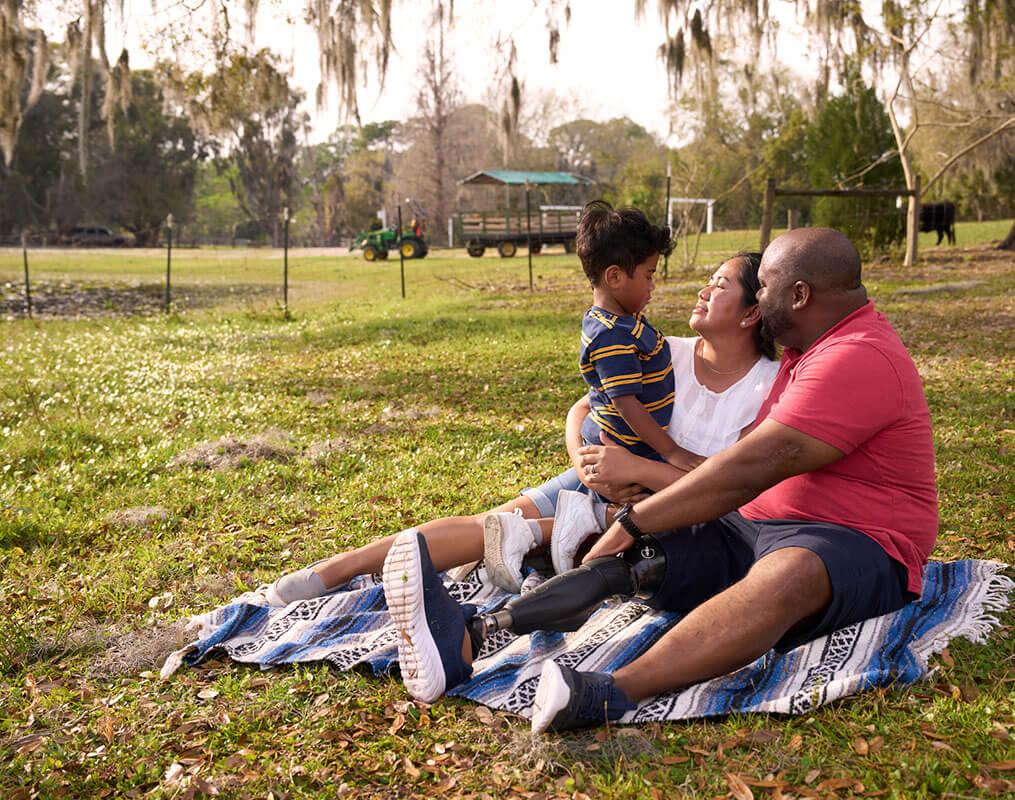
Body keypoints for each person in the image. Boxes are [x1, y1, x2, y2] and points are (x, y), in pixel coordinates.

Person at [386, 227, 939, 732]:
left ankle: (608, 693)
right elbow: (737, 460)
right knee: (638, 560)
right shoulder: (804, 353)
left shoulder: (857, 356)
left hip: (857, 538)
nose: (757, 300)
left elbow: (755, 464)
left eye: (763, 286)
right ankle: (469, 634)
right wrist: (643, 525)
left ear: (798, 295)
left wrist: (637, 515)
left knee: (786, 574)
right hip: (759, 522)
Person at [261, 253, 779, 619]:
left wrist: (639, 470)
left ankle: (535, 546)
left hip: (662, 512)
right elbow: (583, 407)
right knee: (492, 521)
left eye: (720, 284)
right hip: (601, 477)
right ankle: (331, 573)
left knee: (515, 534)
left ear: (753, 311)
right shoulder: (665, 350)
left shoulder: (766, 387)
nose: (702, 290)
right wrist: (584, 462)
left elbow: (734, 486)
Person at [480, 200, 705, 590]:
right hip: (627, 443)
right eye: (649, 276)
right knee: (656, 513)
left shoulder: (621, 319)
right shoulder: (612, 335)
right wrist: (671, 452)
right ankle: (574, 526)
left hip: (620, 438)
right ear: (615, 276)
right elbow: (626, 402)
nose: (653, 286)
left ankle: (555, 531)